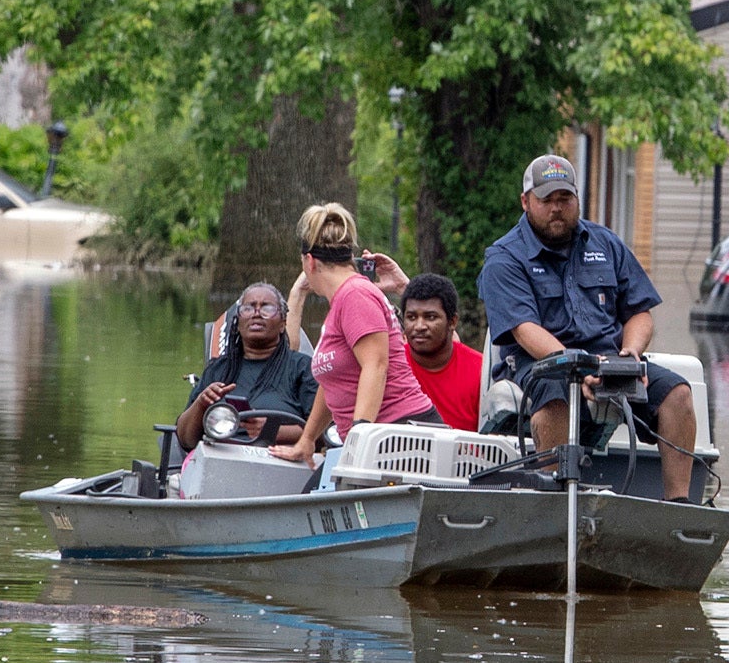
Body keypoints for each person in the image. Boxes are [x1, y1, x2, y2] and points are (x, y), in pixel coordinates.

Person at [477, 153, 700, 500]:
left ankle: (680, 506)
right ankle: (553, 503)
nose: (556, 207)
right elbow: (523, 330)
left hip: (608, 359)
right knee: (555, 400)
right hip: (537, 364)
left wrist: (631, 355)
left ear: (577, 198)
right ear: (525, 202)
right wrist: (577, 368)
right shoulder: (504, 257)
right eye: (546, 199)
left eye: (564, 198)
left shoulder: (606, 244)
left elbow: (640, 312)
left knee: (679, 395)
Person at [276, 202, 439, 462]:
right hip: (379, 436)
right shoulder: (341, 302)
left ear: (309, 262)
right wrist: (306, 440)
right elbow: (332, 382)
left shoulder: (355, 295)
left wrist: (358, 437)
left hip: (402, 434)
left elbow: (376, 366)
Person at [179, 283, 317, 451]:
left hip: (281, 462)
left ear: (282, 324)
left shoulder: (302, 368)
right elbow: (185, 441)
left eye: (267, 308)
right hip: (220, 460)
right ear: (237, 322)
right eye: (248, 308)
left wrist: (273, 431)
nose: (257, 314)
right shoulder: (219, 369)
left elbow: (323, 434)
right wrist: (201, 404)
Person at [395, 273, 486, 432]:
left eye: (430, 317)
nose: (419, 326)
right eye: (411, 317)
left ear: (452, 322)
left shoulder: (482, 370)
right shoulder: (391, 367)